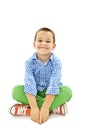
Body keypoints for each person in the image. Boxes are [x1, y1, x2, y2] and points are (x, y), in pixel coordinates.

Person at [10, 27, 72, 124]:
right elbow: (29, 83)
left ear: (53, 46)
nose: (43, 43)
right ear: (34, 44)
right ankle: (53, 108)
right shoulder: (29, 62)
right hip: (34, 93)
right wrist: (34, 106)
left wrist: (46, 106)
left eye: (48, 41)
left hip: (51, 94)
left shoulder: (57, 62)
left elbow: (54, 84)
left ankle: (29, 110)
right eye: (40, 40)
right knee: (15, 91)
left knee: (67, 92)